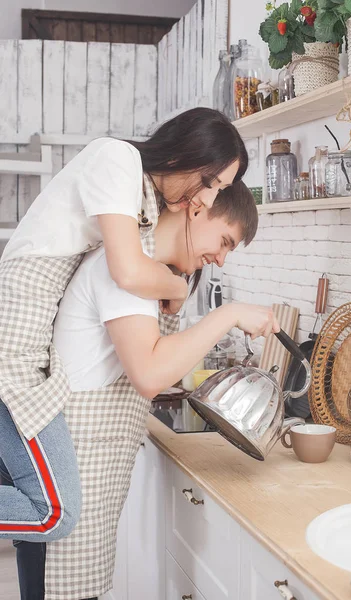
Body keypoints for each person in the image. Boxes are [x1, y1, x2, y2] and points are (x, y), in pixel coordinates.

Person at [1, 181, 279, 600]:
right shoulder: (126, 274)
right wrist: (229, 314)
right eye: (224, 241)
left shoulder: (151, 276)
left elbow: (155, 367)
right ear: (196, 207)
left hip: (90, 475)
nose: (220, 258)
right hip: (71, 463)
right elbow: (149, 375)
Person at [0, 107, 248, 546]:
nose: (208, 201)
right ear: (191, 156)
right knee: (54, 514)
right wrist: (177, 286)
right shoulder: (117, 159)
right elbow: (129, 272)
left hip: (32, 343)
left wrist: (175, 287)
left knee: (41, 507)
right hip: (15, 331)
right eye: (215, 185)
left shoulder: (141, 203)